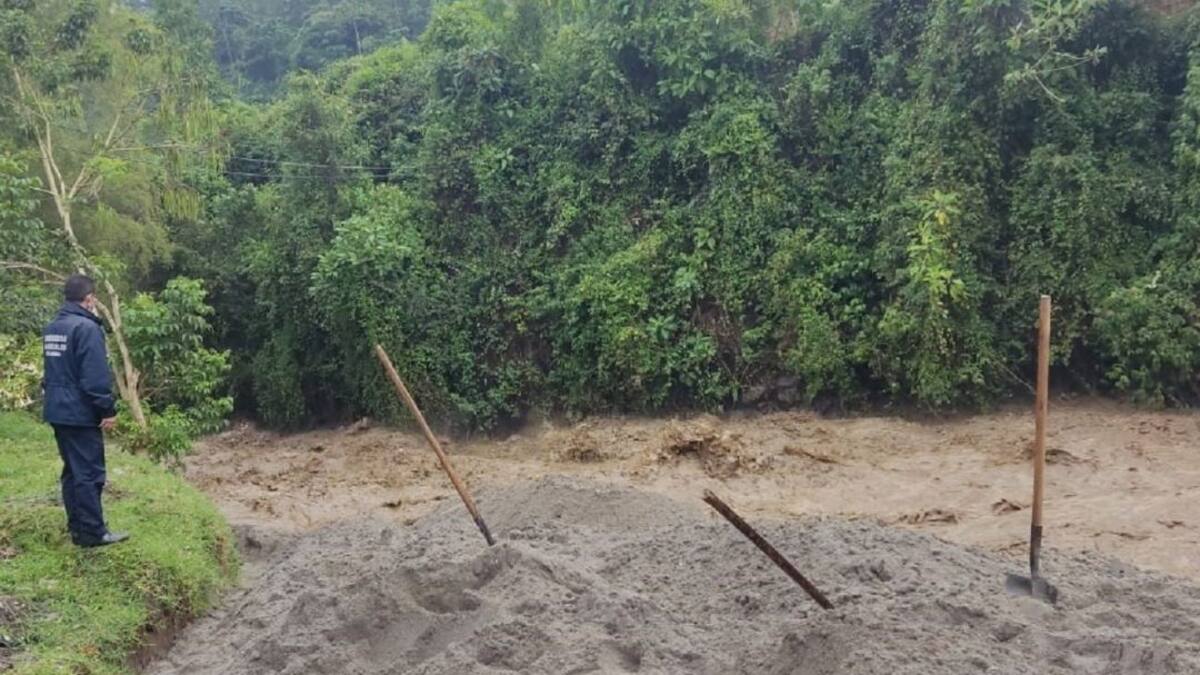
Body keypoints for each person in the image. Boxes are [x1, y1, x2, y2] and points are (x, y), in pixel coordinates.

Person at [42, 274, 129, 548]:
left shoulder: (54, 326)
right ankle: (93, 532)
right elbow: (94, 378)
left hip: (56, 409)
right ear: (89, 299)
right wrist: (107, 409)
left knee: (72, 471)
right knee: (89, 473)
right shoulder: (87, 329)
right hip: (79, 413)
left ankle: (77, 528)